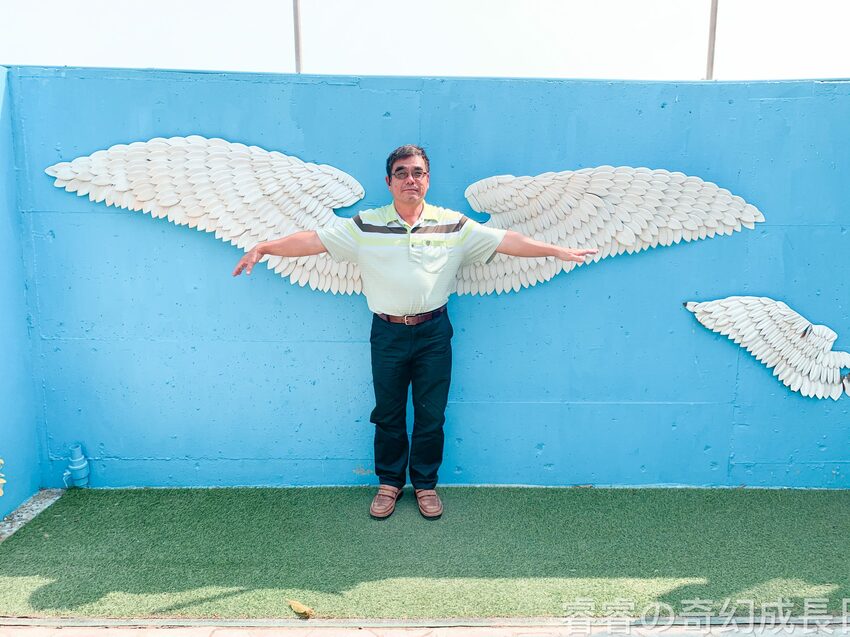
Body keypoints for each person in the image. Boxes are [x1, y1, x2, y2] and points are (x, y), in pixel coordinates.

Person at [232, 145, 596, 520]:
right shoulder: (365, 225)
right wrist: (264, 247)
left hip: (434, 333)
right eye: (402, 173)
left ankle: (425, 485)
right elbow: (313, 240)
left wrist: (556, 251)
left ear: (428, 180)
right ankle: (389, 484)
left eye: (418, 172)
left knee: (431, 414)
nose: (411, 179)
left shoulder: (453, 224)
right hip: (387, 333)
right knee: (388, 413)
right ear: (389, 181)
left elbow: (506, 240)